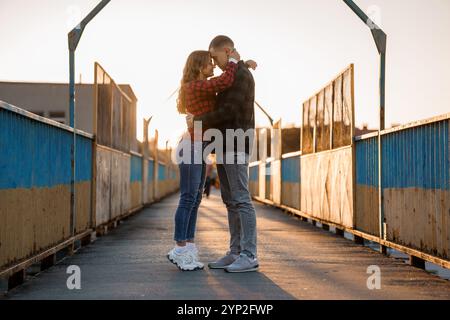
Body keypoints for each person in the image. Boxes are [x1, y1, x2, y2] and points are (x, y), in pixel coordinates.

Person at [167, 49, 257, 271]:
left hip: (201, 147)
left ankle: (187, 247)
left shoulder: (202, 86)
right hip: (192, 146)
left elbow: (227, 81)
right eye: (209, 63)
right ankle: (180, 247)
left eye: (214, 61)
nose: (213, 66)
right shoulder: (195, 86)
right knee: (189, 198)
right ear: (199, 67)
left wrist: (242, 63)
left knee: (195, 198)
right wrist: (235, 61)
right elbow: (226, 79)